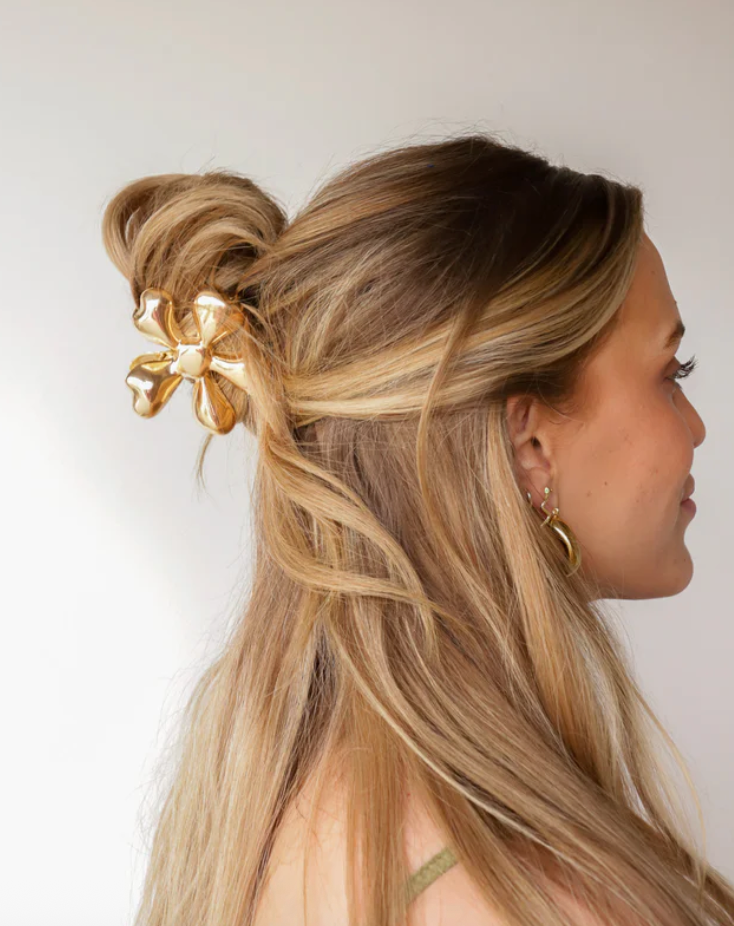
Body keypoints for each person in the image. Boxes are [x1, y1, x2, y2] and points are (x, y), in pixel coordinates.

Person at [101, 132, 732, 926]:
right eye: (671, 374)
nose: (697, 426)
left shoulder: (288, 807)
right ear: (530, 444)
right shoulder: (530, 899)